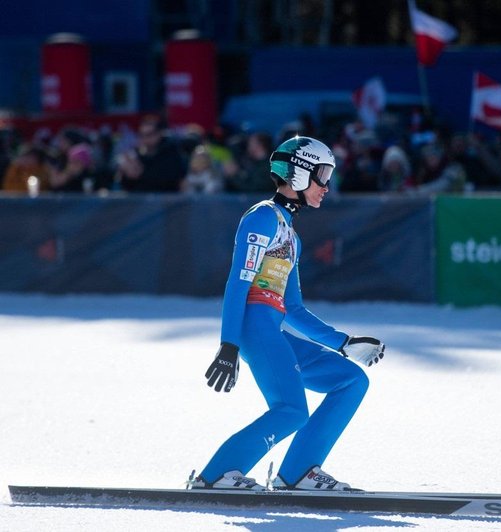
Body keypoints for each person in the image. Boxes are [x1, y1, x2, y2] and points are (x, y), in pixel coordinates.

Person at [190, 136, 386, 491]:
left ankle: (298, 472)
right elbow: (238, 284)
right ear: (298, 174)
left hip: (274, 331)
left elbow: (293, 308)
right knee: (292, 410)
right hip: (254, 330)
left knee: (351, 380)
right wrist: (229, 344)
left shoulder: (291, 236)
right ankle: (217, 474)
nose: (327, 186)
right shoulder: (262, 217)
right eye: (322, 175)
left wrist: (344, 343)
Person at [116, 115, 186, 192]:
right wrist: (125, 173)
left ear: (159, 133)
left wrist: (142, 173)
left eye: (149, 135)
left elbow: (176, 180)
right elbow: (126, 186)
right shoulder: (135, 155)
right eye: (142, 135)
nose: (145, 139)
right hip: (140, 201)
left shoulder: (172, 152)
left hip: (167, 201)